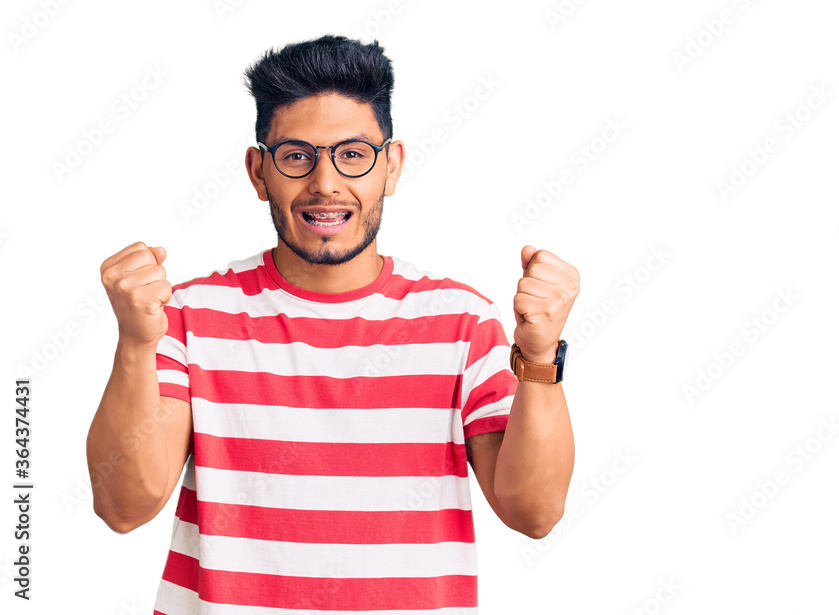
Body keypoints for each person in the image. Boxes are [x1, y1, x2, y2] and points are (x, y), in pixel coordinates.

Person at [86, 35, 578, 613]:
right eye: (297, 155)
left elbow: (535, 514)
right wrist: (134, 346)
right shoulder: (189, 316)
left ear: (390, 167)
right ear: (257, 171)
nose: (325, 183)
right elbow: (124, 507)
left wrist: (541, 358)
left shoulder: (462, 321)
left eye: (352, 154)